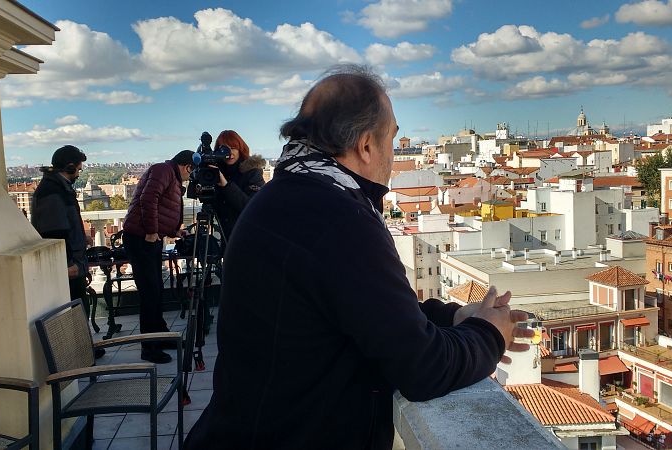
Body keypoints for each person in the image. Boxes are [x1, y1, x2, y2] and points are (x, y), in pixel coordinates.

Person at [184, 65, 533, 449]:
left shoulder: (283, 196)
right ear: (366, 146)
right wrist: (490, 334)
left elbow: (364, 309)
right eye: (392, 140)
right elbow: (423, 367)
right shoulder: (339, 217)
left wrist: (453, 317)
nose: (394, 154)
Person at [31, 145, 104, 358]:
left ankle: (84, 349)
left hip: (71, 258)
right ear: (70, 167)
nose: (79, 173)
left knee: (78, 305)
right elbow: (55, 230)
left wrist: (82, 238)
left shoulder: (57, 187)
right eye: (79, 169)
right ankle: (81, 353)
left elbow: (65, 223)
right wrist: (67, 263)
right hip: (67, 264)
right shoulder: (53, 191)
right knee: (73, 307)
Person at [122, 150, 194, 364]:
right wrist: (152, 231)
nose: (191, 176)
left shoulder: (168, 174)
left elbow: (161, 206)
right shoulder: (163, 170)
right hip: (141, 238)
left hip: (148, 238)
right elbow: (149, 198)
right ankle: (149, 347)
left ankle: (160, 337)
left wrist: (174, 231)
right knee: (149, 292)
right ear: (187, 166)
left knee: (156, 290)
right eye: (192, 171)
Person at [210, 130, 265, 242]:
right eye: (224, 149)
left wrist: (226, 185)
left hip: (248, 238)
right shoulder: (215, 173)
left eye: (233, 148)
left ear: (240, 149)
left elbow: (252, 208)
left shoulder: (252, 172)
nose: (229, 153)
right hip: (224, 237)